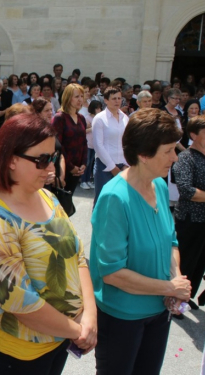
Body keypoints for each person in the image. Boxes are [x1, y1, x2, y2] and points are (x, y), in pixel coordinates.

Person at [0, 112, 97, 375]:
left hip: (58, 339)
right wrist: (79, 330)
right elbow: (19, 301)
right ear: (12, 160)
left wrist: (89, 315)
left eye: (53, 157)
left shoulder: (47, 198)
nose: (51, 168)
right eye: (41, 159)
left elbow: (77, 254)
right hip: (17, 353)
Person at [90, 108, 190, 375]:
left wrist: (175, 281)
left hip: (158, 309)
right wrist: (168, 286)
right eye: (168, 150)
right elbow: (112, 273)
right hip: (123, 318)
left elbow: (170, 240)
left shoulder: (158, 184)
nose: (175, 156)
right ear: (144, 155)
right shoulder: (115, 198)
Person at [173, 115, 205, 310]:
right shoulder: (186, 157)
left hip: (204, 219)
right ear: (194, 134)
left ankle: (187, 296)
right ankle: (176, 301)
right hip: (190, 218)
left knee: (199, 261)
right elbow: (186, 189)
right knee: (186, 260)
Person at [51, 83, 88, 216]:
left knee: (67, 202)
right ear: (67, 98)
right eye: (76, 96)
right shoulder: (60, 118)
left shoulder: (81, 118)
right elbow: (57, 145)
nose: (80, 99)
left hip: (77, 168)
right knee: (58, 204)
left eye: (82, 96)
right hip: (63, 168)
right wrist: (71, 166)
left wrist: (84, 164)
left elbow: (84, 142)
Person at [92, 86, 129, 206]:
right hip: (105, 166)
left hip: (123, 166)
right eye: (113, 98)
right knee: (102, 202)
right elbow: (98, 145)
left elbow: (127, 142)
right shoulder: (99, 119)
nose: (117, 101)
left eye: (119, 98)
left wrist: (126, 164)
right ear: (106, 100)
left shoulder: (125, 118)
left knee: (118, 202)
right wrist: (112, 167)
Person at [80, 100, 103, 190]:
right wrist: (93, 127)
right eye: (97, 108)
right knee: (87, 162)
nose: (99, 109)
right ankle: (83, 181)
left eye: (100, 107)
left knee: (91, 163)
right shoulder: (87, 118)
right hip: (88, 143)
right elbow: (83, 131)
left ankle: (88, 180)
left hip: (96, 144)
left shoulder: (100, 118)